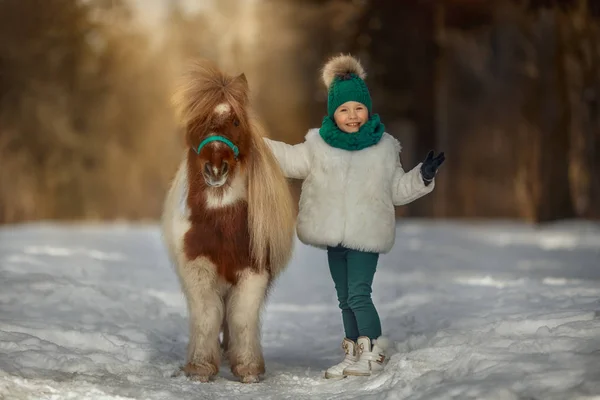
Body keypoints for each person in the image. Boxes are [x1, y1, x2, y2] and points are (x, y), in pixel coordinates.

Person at [264, 54, 445, 378]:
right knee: (345, 297)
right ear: (333, 112)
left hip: (366, 233)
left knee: (359, 293)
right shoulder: (318, 145)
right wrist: (254, 143)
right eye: (344, 109)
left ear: (368, 109)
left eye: (358, 108)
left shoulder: (385, 147)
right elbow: (289, 160)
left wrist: (423, 176)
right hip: (334, 234)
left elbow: (397, 190)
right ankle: (353, 351)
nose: (352, 115)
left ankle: (373, 349)